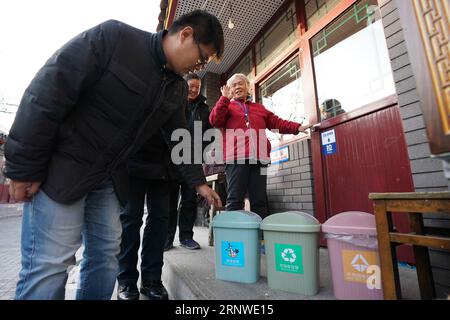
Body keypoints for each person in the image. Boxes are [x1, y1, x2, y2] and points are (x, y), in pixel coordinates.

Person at [4, 10, 224, 300]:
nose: (198, 66)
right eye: (200, 58)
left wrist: (199, 183)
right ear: (185, 35)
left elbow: (178, 139)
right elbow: (49, 89)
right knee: (49, 265)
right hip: (63, 167)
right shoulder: (115, 38)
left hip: (111, 178)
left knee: (106, 259)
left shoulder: (176, 88)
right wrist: (23, 166)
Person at [209, 73, 311, 218]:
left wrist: (297, 127)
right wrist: (224, 99)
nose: (238, 87)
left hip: (259, 159)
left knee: (259, 200)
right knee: (235, 199)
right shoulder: (227, 106)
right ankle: (234, 238)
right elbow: (214, 120)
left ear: (247, 87)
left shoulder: (259, 108)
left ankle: (260, 237)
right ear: (230, 90)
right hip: (236, 159)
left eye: (241, 83)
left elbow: (277, 123)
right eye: (234, 85)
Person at [116, 132, 175, 300]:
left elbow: (181, 128)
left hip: (165, 163)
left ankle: (151, 279)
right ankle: (126, 279)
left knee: (160, 219)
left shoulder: (176, 104)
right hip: (131, 160)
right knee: (129, 219)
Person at [165, 73, 212, 251]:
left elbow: (210, 133)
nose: (193, 90)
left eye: (197, 87)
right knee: (169, 201)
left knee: (189, 200)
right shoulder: (173, 102)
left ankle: (186, 237)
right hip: (171, 159)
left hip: (192, 161)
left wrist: (200, 150)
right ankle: (167, 238)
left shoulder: (204, 109)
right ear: (184, 86)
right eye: (190, 86)